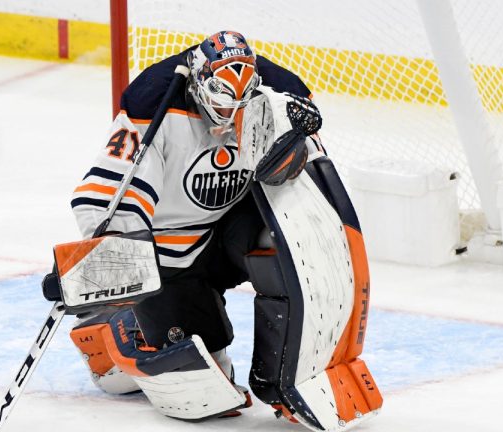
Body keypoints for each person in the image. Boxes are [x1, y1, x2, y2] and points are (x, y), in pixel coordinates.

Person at [67, 30, 320, 421]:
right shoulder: (155, 105)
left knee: (284, 243)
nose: (229, 116)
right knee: (204, 378)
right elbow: (103, 195)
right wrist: (109, 265)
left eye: (240, 104)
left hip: (225, 235)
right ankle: (119, 322)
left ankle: (286, 378)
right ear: (200, 82)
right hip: (169, 252)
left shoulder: (268, 101)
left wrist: (297, 149)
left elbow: (304, 184)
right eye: (220, 102)